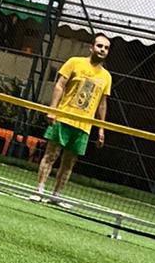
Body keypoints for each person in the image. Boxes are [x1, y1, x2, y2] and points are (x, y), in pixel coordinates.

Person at [32, 33, 112, 204]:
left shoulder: (106, 77)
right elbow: (60, 85)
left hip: (84, 126)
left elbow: (102, 104)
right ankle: (39, 191)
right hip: (64, 118)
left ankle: (56, 196)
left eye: (106, 48)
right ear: (91, 47)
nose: (102, 50)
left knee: (69, 163)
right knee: (51, 155)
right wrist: (52, 110)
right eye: (99, 46)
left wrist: (101, 128)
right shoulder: (75, 62)